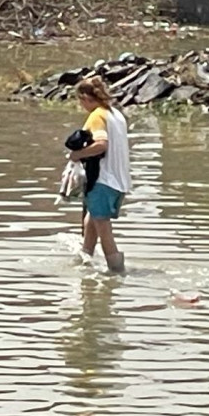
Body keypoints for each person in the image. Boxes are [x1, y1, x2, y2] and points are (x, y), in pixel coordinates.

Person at [68, 77, 131, 273]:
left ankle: (117, 272)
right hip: (120, 180)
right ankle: (84, 260)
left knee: (103, 228)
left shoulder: (97, 116)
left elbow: (102, 145)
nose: (81, 105)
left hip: (103, 179)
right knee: (92, 218)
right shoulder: (116, 114)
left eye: (80, 100)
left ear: (86, 97)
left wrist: (77, 155)